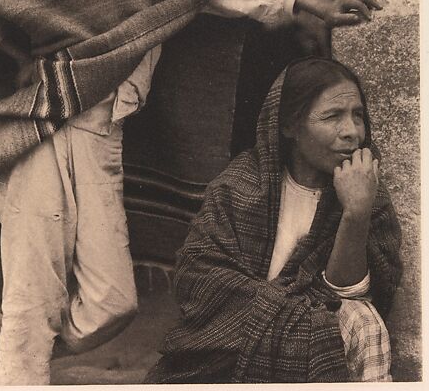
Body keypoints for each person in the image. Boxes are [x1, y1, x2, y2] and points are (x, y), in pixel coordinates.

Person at [0, 0, 382, 386]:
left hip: (103, 138)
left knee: (113, 301)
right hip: (39, 132)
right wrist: (22, 60)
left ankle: (10, 348)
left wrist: (312, 2)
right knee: (35, 285)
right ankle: (18, 364)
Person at [146, 57, 401, 384]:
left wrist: (356, 212)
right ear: (289, 125)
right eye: (333, 116)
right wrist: (289, 314)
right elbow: (197, 279)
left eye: (358, 116)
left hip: (318, 331)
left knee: (365, 323)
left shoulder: (367, 193)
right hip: (231, 344)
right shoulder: (238, 187)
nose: (352, 132)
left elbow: (346, 295)